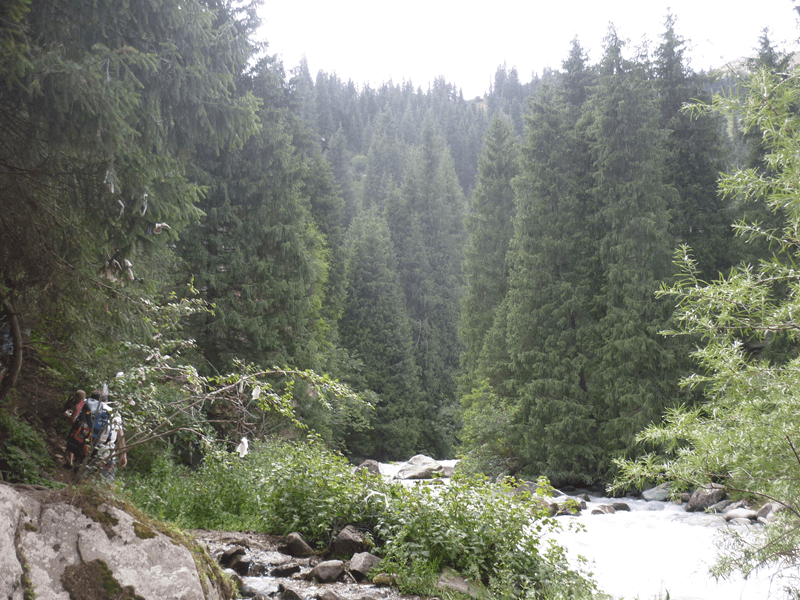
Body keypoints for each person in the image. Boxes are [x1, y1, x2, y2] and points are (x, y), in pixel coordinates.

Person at [64, 389, 86, 468]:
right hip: (83, 430)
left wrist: (67, 414)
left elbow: (73, 420)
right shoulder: (86, 405)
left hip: (75, 428)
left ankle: (69, 462)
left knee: (69, 445)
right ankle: (72, 462)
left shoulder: (78, 406)